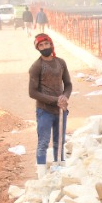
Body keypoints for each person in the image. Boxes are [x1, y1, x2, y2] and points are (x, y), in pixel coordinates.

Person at [28, 33, 72, 177]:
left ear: (51, 44)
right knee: (43, 143)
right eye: (41, 45)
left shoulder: (60, 63)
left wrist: (65, 97)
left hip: (60, 110)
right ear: (37, 48)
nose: (44, 47)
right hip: (44, 110)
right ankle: (41, 175)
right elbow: (32, 92)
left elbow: (68, 84)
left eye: (46, 44)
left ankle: (59, 171)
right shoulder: (37, 66)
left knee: (59, 142)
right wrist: (55, 100)